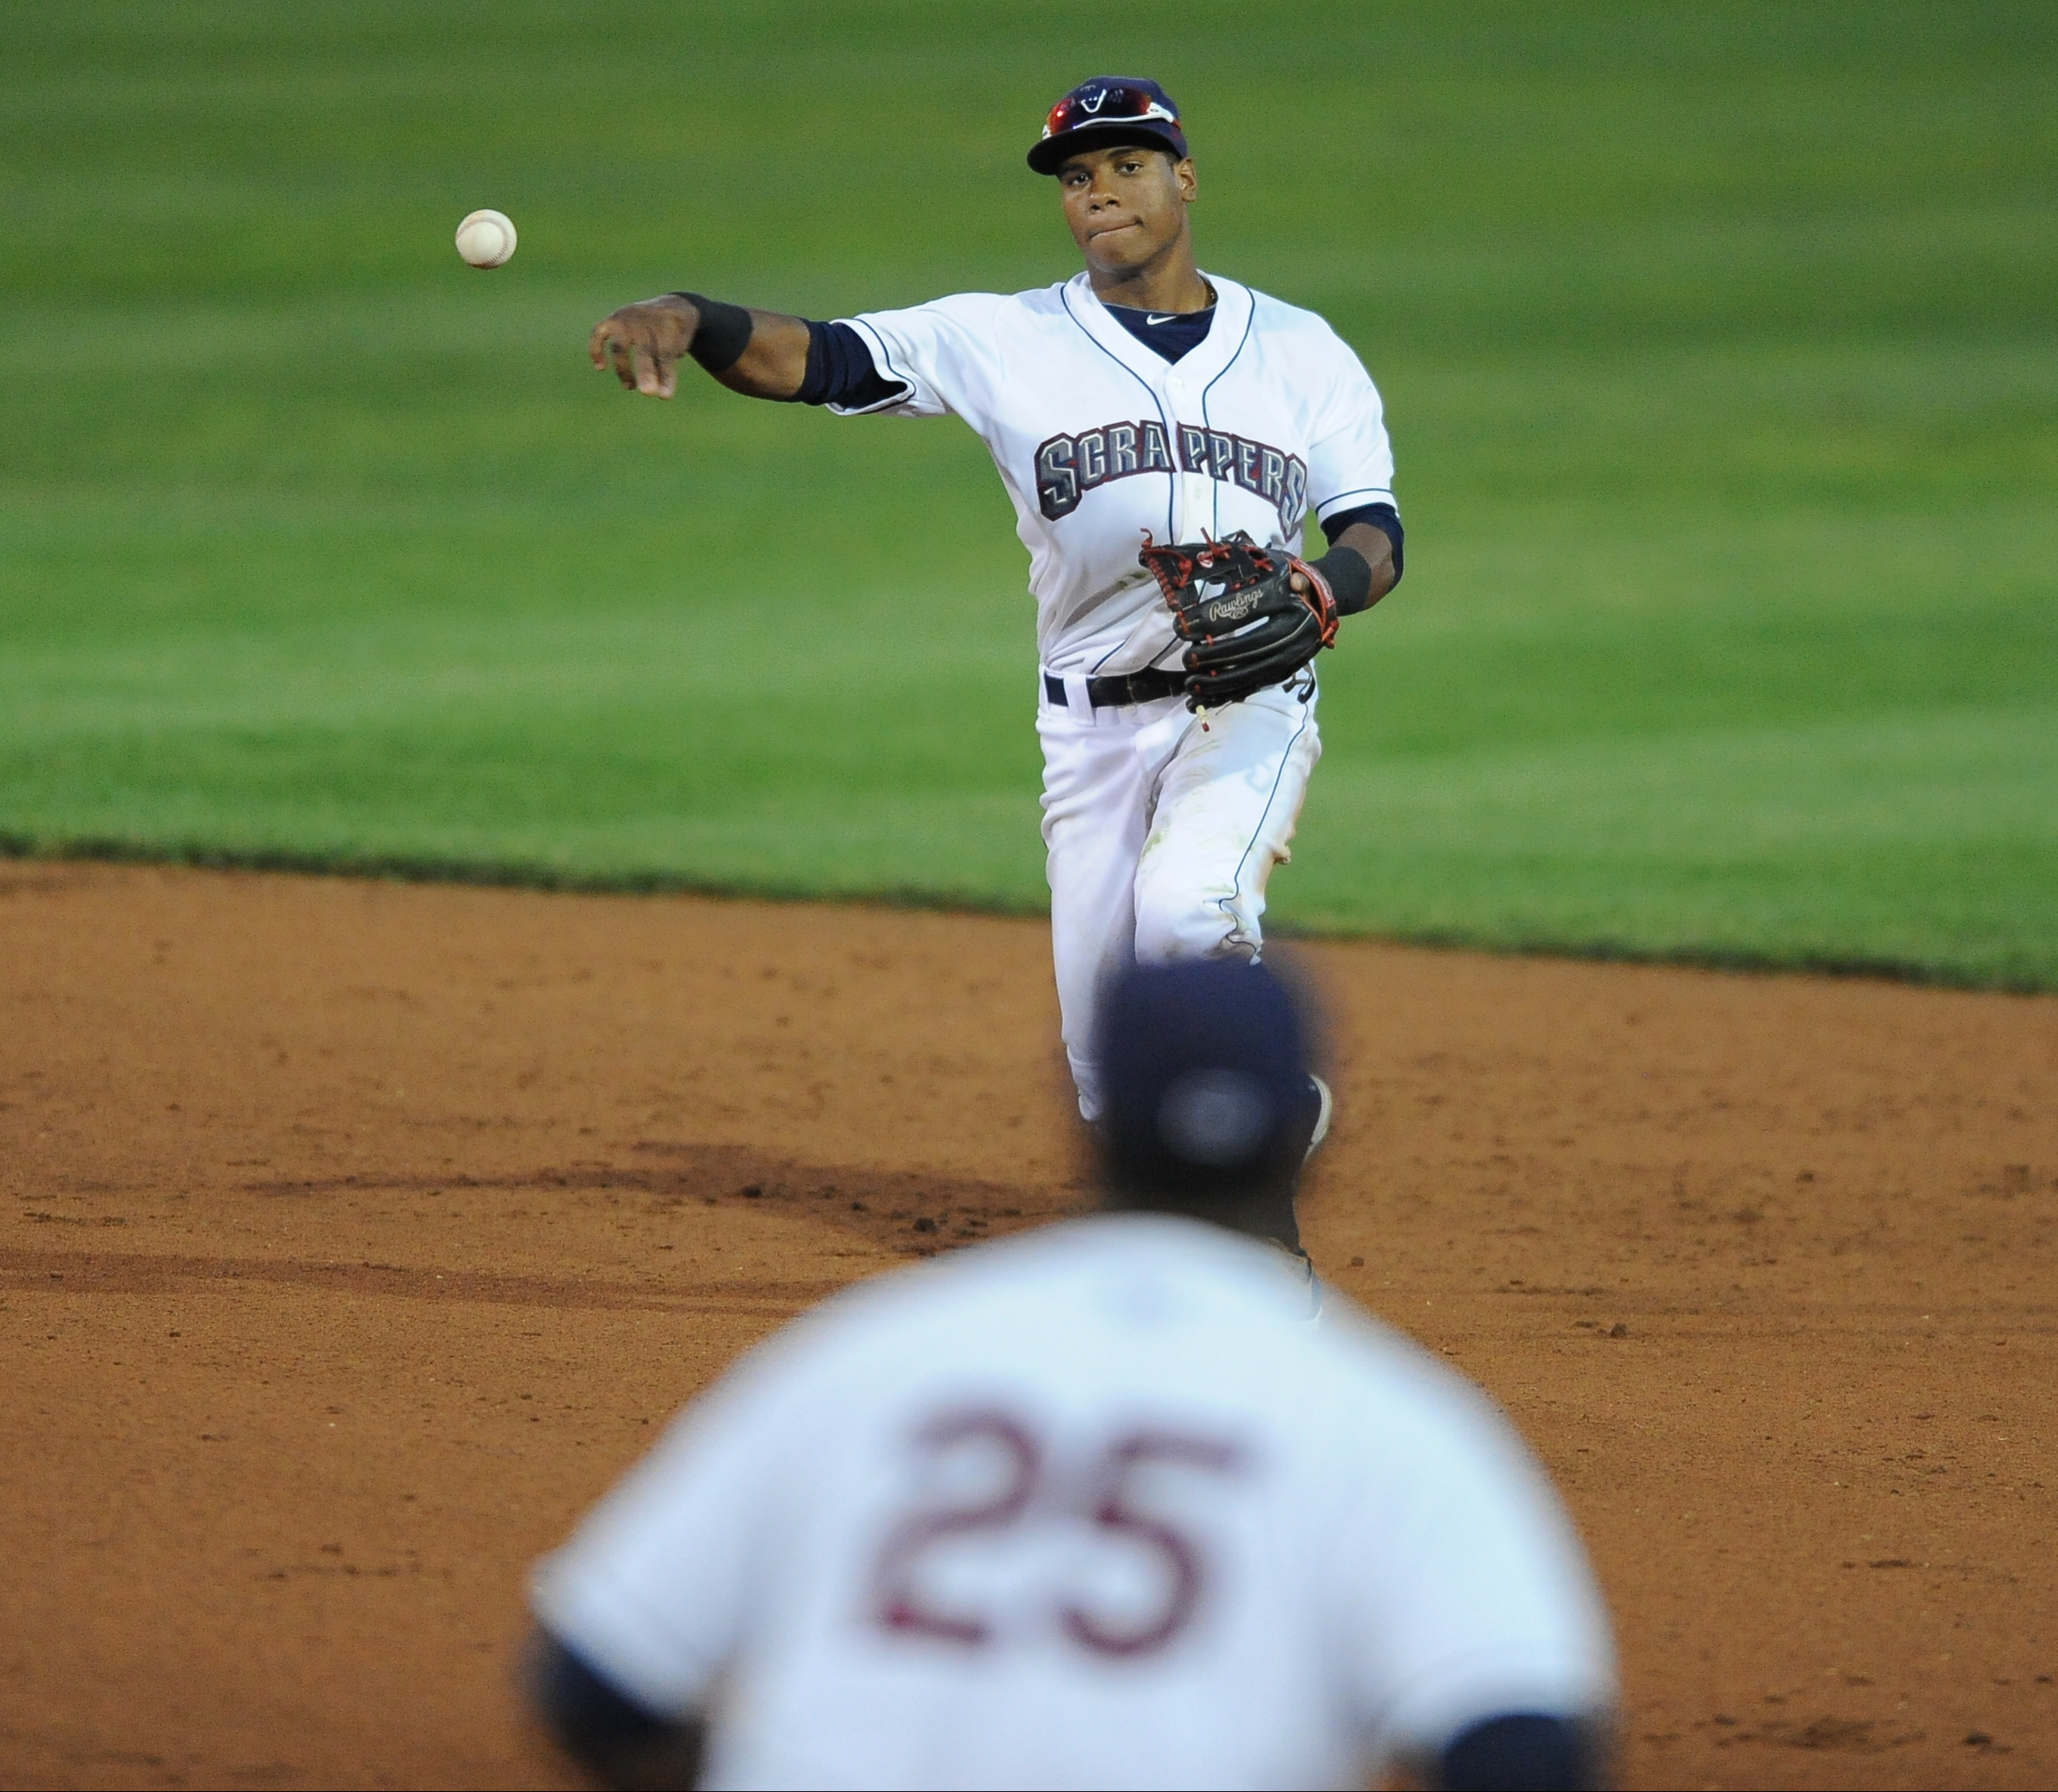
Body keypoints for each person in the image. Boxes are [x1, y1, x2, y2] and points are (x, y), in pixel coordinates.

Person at [586, 77, 1405, 1241]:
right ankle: (1199, 1229)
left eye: (1127, 166)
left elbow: (1376, 530)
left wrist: (1330, 585)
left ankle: (1268, 1243)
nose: (1101, 193)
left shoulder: (1303, 352)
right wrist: (692, 313)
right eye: (1078, 176)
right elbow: (817, 357)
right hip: (1089, 728)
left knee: (1188, 913)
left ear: (1185, 177)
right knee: (1107, 1071)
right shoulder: (1003, 337)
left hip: (1249, 699)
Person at [525, 960, 1617, 1790]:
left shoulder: (865, 1351)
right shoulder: (1392, 1419)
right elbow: (1525, 1751)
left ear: (1087, 1124)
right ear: (1309, 1135)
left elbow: (592, 1688)